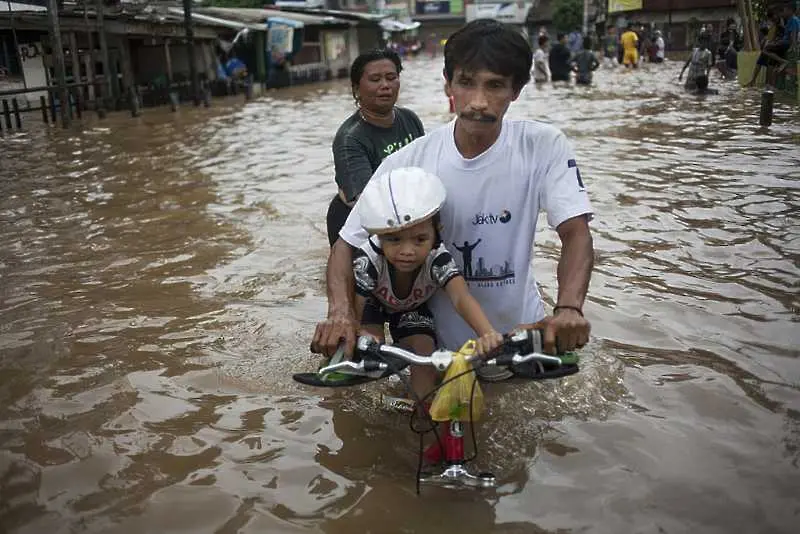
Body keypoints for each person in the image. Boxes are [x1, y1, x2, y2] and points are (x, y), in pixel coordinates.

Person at [312, 19, 593, 385]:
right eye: (466, 83)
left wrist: (568, 308)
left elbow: (576, 233)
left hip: (518, 342)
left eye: (494, 86)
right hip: (430, 349)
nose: (478, 101)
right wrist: (340, 313)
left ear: (516, 90)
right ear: (448, 84)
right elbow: (346, 245)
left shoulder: (543, 146)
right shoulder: (406, 162)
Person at [350, 167, 502, 397]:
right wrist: (356, 337)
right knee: (371, 350)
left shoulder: (437, 259)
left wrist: (488, 334)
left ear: (436, 234)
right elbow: (355, 312)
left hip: (411, 308)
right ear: (380, 237)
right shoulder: (368, 260)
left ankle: (423, 412)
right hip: (374, 304)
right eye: (394, 240)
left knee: (424, 351)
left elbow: (461, 298)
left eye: (420, 239)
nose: (407, 251)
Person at [325, 49, 425, 246]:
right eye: (375, 79)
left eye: (391, 77)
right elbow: (364, 201)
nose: (385, 85)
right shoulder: (350, 137)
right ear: (356, 88)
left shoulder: (410, 119)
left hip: (408, 216)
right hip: (358, 220)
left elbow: (425, 173)